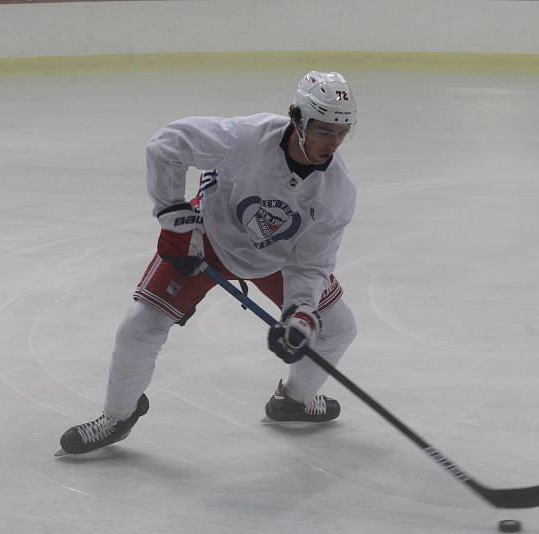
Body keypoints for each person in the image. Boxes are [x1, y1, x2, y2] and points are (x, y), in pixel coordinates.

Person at [58, 71, 359, 455]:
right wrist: (173, 214)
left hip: (278, 259)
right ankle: (119, 415)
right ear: (297, 119)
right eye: (322, 130)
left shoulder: (338, 191)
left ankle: (294, 400)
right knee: (138, 328)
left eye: (341, 133)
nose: (331, 144)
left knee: (339, 327)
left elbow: (311, 264)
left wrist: (299, 314)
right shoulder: (248, 138)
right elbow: (167, 145)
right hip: (208, 241)